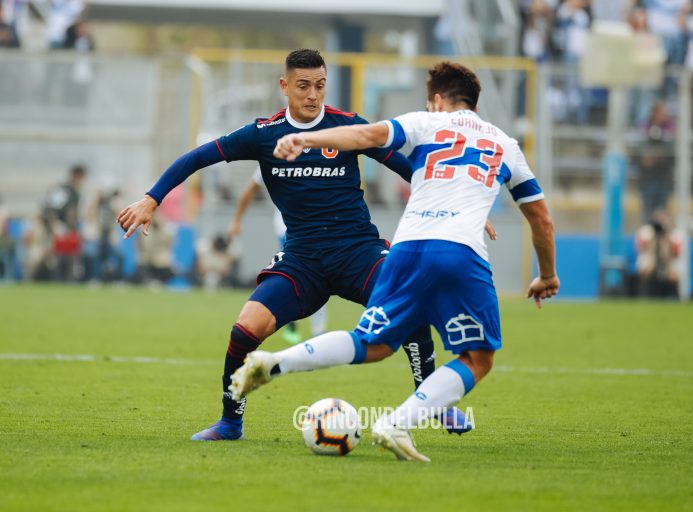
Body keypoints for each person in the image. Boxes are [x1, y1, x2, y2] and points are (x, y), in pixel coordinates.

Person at [117, 49, 462, 441]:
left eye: (319, 85)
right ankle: (231, 421)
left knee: (411, 309)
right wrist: (151, 198)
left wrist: (454, 199)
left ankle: (435, 403)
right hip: (303, 260)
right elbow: (197, 158)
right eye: (303, 86)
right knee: (245, 329)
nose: (312, 95)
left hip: (358, 252)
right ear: (284, 86)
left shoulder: (346, 127)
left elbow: (409, 167)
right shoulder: (263, 134)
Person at [229, 61, 559, 462]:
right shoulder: (504, 143)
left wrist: (307, 141)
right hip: (459, 251)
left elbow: (367, 135)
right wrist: (546, 274)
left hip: (406, 248)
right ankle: (397, 422)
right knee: (477, 357)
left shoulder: (426, 122)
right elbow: (540, 218)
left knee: (375, 343)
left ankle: (276, 361)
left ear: (438, 100)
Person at [229, 165, 327, 344]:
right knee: (308, 273)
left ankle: (311, 329)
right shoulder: (273, 156)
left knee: (315, 274)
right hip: (288, 227)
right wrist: (236, 220)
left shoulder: (318, 156)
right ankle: (306, 326)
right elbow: (250, 189)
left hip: (315, 226)